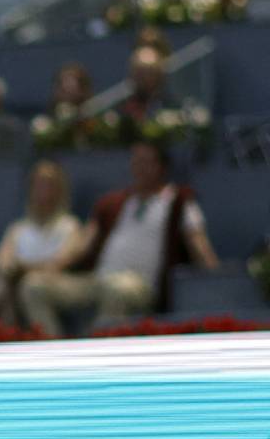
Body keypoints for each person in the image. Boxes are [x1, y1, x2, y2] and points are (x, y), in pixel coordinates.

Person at [20, 141, 220, 337]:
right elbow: (82, 246)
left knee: (117, 288)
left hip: (139, 285)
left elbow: (198, 243)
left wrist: (218, 279)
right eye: (136, 162)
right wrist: (51, 267)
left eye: (146, 162)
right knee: (33, 285)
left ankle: (95, 347)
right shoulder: (112, 203)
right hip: (97, 280)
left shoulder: (179, 202)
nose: (139, 168)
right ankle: (52, 345)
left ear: (162, 167)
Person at [0, 161, 81, 326]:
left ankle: (47, 339)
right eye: (38, 184)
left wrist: (24, 269)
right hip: (14, 288)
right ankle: (7, 335)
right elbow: (2, 260)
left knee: (31, 285)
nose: (43, 190)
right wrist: (10, 271)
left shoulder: (70, 226)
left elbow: (60, 263)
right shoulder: (17, 229)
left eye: (49, 184)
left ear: (60, 190)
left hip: (52, 286)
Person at [120, 45, 177, 123]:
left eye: (150, 72)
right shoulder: (125, 110)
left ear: (159, 73)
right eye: (141, 72)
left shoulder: (171, 105)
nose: (145, 78)